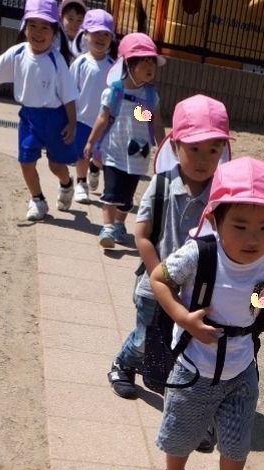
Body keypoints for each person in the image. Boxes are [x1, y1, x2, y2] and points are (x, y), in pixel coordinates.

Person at [149, 156, 264, 470]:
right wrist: (183, 318)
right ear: (216, 219)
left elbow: (260, 295)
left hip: (241, 366)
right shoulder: (200, 252)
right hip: (195, 364)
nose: (252, 238)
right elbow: (159, 279)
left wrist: (255, 309)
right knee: (179, 430)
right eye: (240, 225)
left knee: (237, 441)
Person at [107, 94, 232, 400]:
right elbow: (142, 235)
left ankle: (175, 387)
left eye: (213, 150)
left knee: (177, 341)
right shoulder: (162, 184)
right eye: (194, 149)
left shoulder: (222, 194)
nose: (203, 159)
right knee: (143, 337)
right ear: (176, 146)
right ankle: (122, 364)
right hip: (153, 285)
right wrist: (159, 275)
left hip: (193, 290)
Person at [0, 0, 79, 222]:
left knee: (56, 165)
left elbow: (69, 95)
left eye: (45, 27)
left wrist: (72, 123)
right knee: (25, 161)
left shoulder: (57, 60)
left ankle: (67, 183)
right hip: (30, 118)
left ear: (54, 33)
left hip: (55, 118)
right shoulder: (18, 53)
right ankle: (38, 199)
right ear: (24, 27)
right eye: (33, 25)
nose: (38, 32)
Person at [83, 32, 165, 249]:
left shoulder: (150, 96)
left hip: (138, 154)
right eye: (144, 61)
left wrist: (163, 148)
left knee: (127, 197)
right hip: (113, 150)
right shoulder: (115, 92)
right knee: (111, 191)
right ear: (128, 63)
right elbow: (103, 118)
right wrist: (91, 142)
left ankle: (119, 223)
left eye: (152, 62)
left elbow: (155, 122)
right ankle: (107, 227)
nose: (150, 67)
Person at [69, 7, 116, 202]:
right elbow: (69, 92)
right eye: (96, 33)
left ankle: (95, 169)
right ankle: (81, 182)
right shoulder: (80, 63)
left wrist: (145, 116)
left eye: (106, 34)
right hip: (82, 119)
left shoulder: (114, 67)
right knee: (82, 154)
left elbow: (124, 97)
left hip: (106, 123)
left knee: (100, 156)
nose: (101, 38)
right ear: (85, 35)